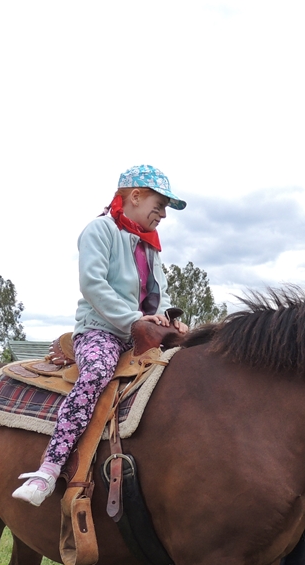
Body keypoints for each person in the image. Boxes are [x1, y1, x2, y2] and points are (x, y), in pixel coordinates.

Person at [13, 165, 188, 505]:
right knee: (95, 373)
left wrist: (169, 320)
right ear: (135, 196)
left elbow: (161, 295)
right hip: (102, 330)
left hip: (144, 333)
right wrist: (135, 320)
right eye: (160, 204)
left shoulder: (150, 246)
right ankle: (49, 467)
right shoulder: (100, 230)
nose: (164, 214)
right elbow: (93, 284)